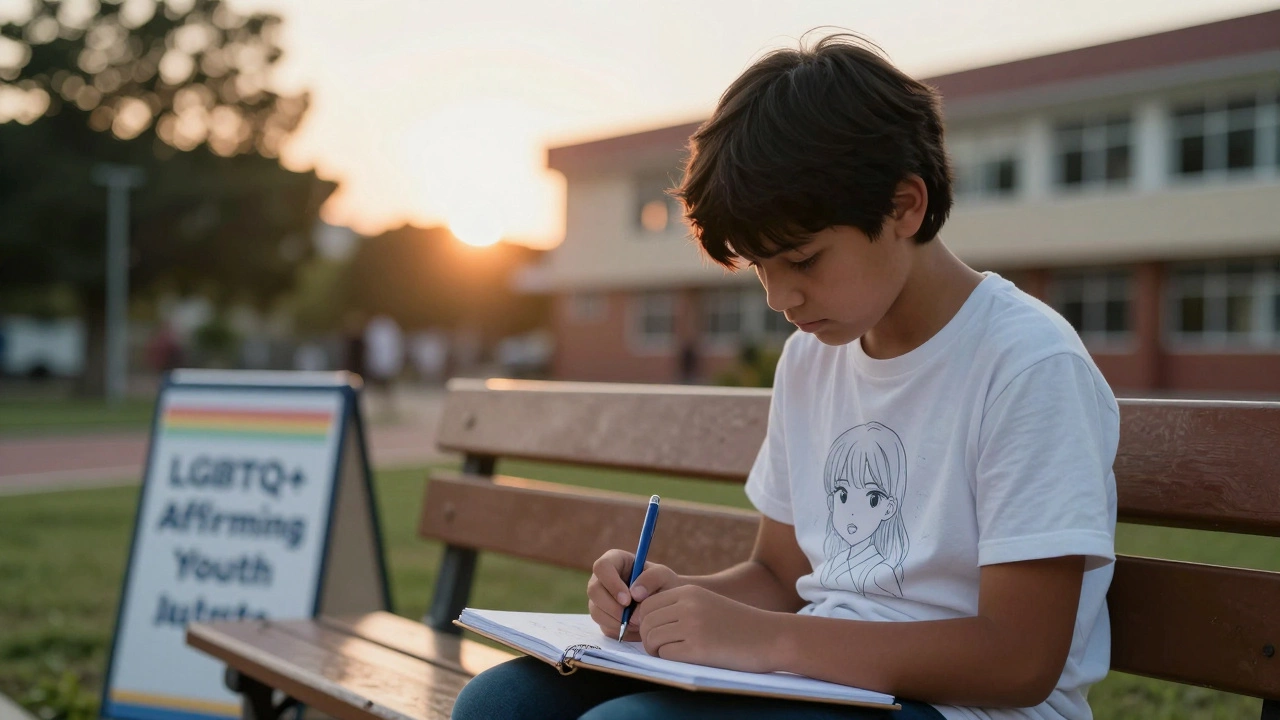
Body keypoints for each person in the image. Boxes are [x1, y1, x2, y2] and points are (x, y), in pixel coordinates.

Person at [452, 32, 1117, 720]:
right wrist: (668, 603)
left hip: (961, 709)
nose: (778, 298)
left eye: (801, 261)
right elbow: (780, 574)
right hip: (817, 677)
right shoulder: (813, 355)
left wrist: (769, 639)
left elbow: (1018, 660)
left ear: (904, 207)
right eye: (759, 266)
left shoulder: (1026, 365)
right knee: (499, 705)